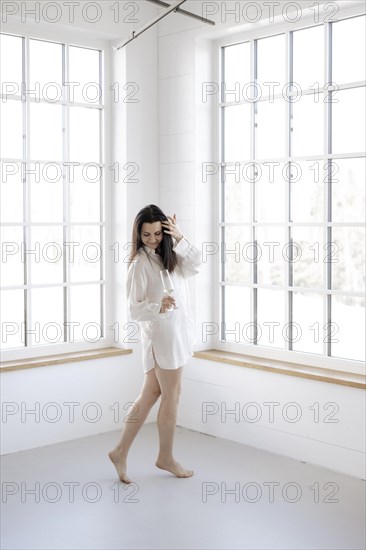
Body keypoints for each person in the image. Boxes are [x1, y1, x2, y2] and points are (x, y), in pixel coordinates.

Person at [108, 204, 201, 483]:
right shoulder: (139, 263)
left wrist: (180, 237)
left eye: (158, 234)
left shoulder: (170, 255)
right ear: (138, 234)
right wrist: (157, 306)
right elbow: (133, 309)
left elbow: (196, 264)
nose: (152, 240)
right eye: (146, 235)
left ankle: (120, 451)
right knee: (172, 394)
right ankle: (165, 457)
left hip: (176, 332)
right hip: (162, 335)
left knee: (149, 395)